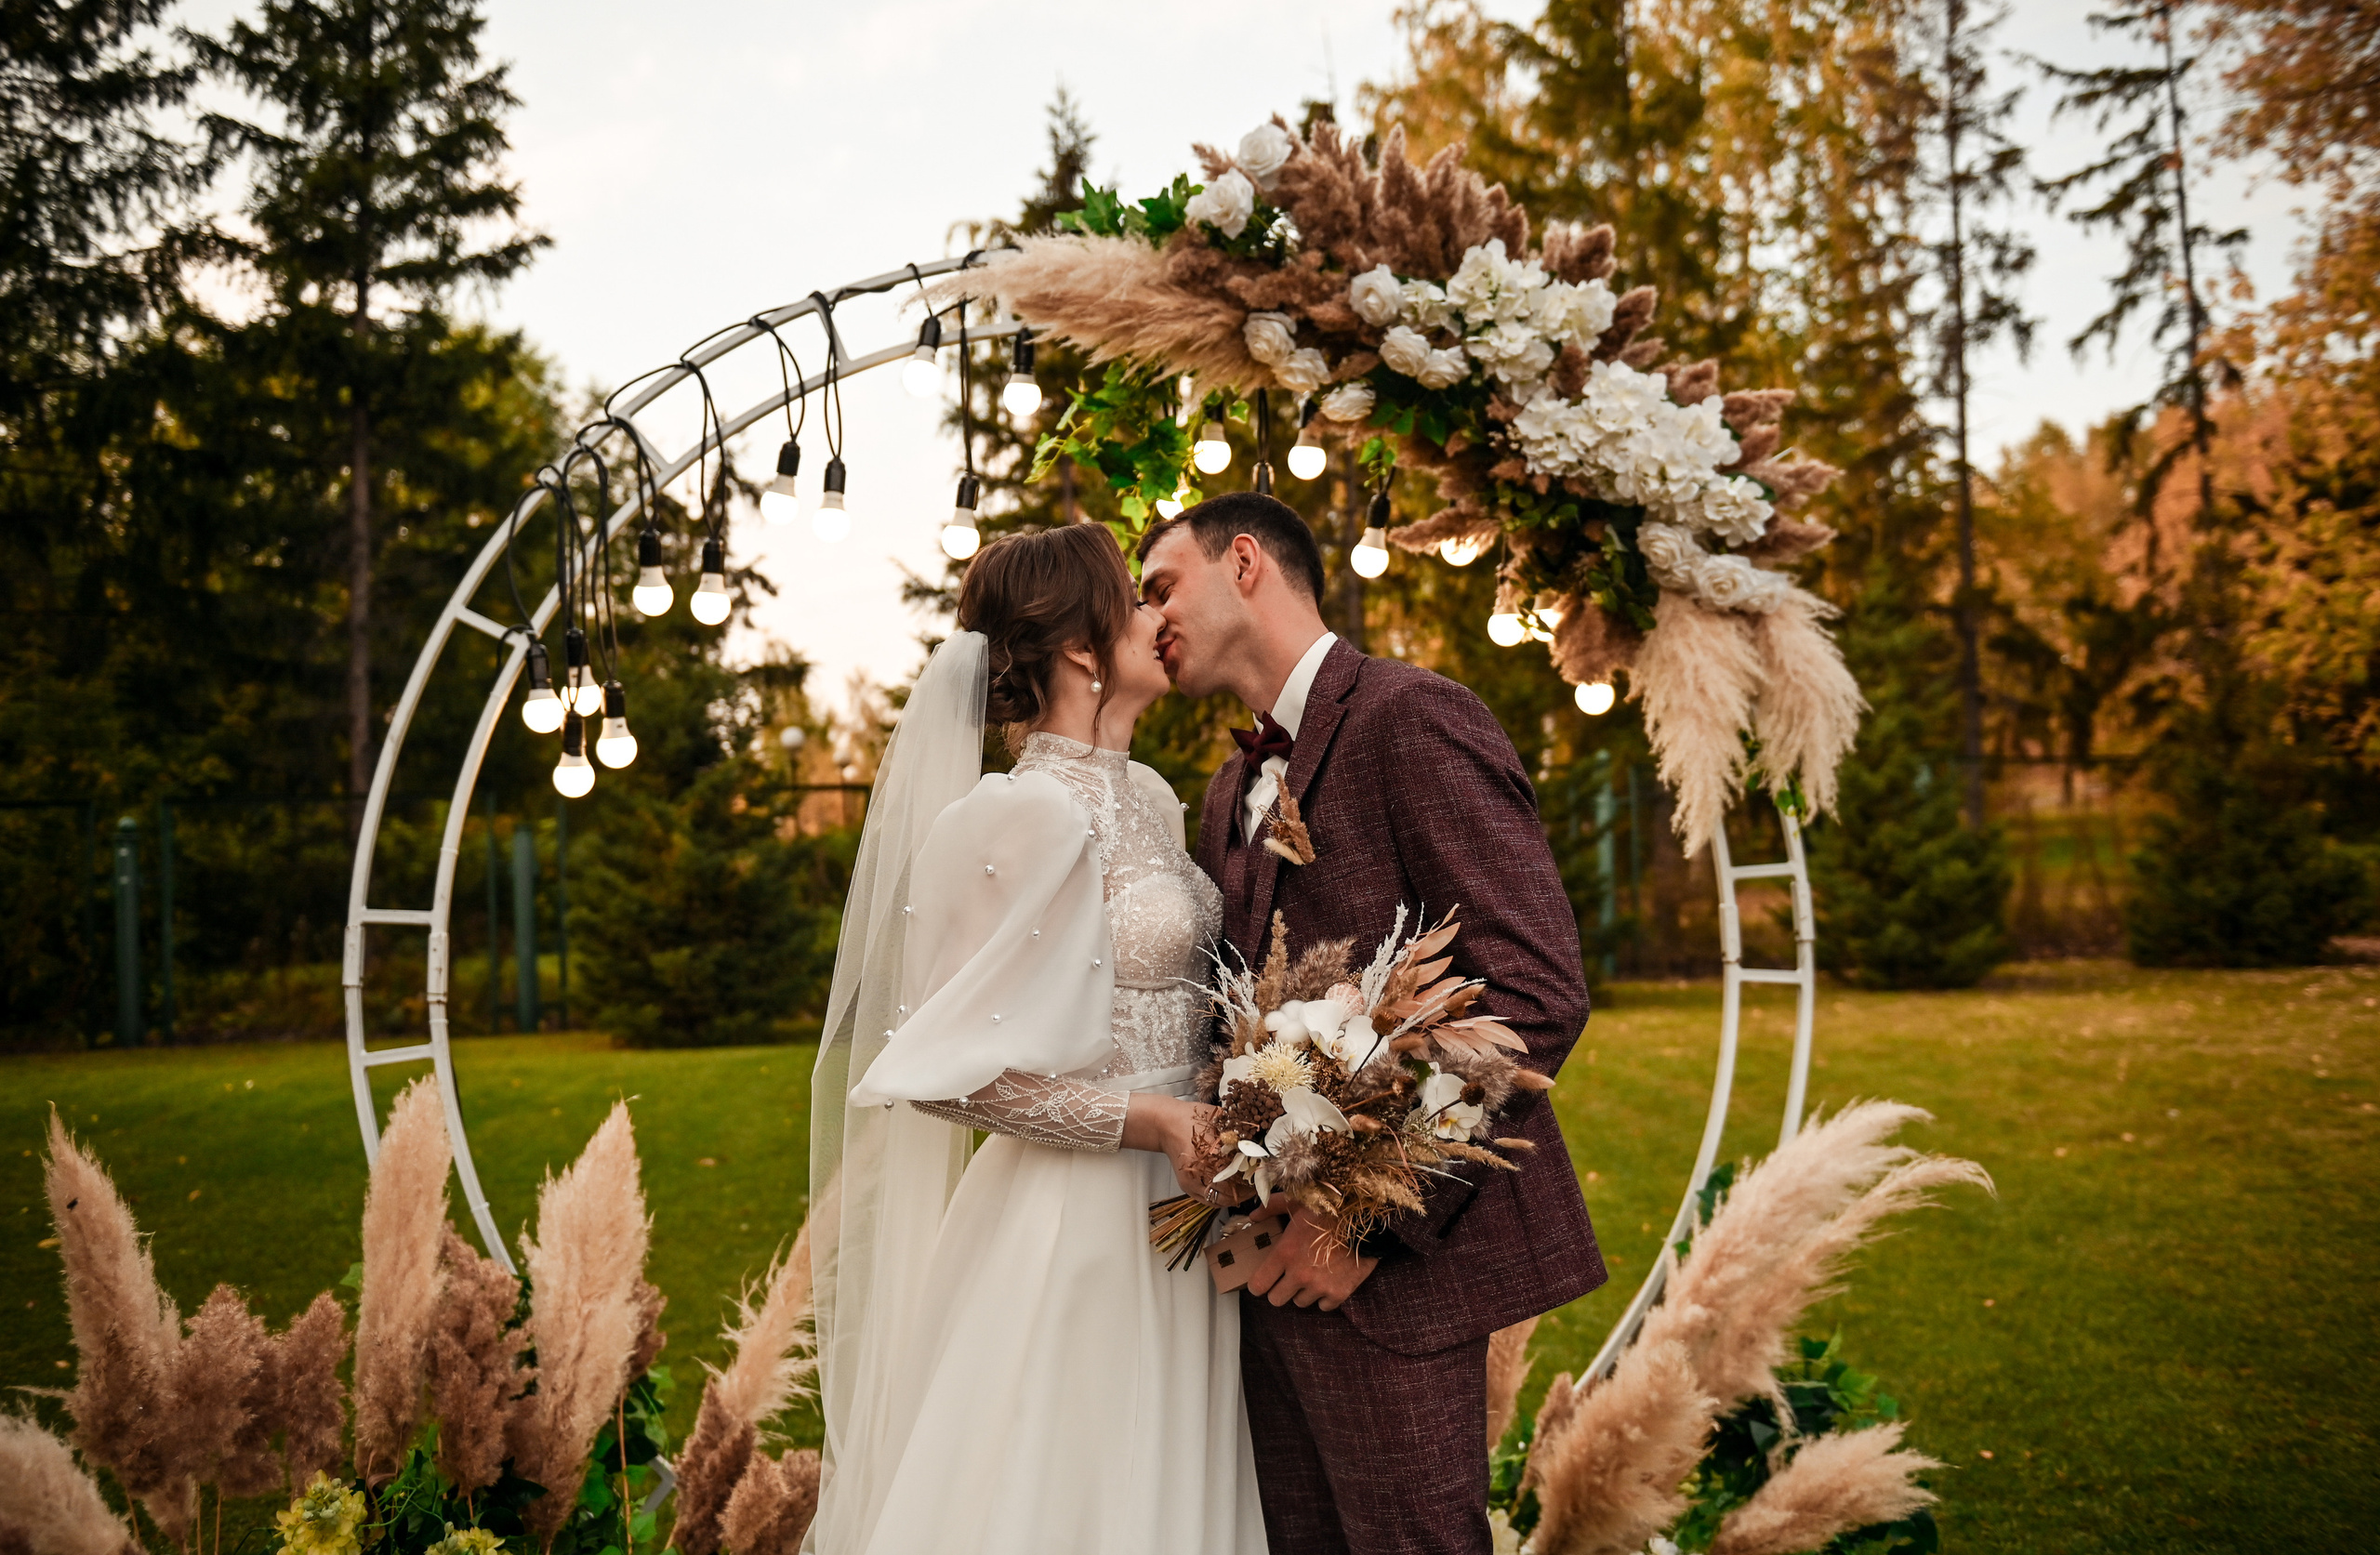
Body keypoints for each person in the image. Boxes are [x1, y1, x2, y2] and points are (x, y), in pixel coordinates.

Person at [1137, 492, 1607, 1555]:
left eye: (1162, 585)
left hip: (1394, 1275)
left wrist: (1363, 1220)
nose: (1150, 616)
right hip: (1256, 1271)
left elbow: (1532, 990)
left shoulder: (1413, 715)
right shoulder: (1224, 790)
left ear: (1243, 561)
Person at [806, 523, 1265, 1555]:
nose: (1160, 618)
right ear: (1078, 646)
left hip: (1187, 1212)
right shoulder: (1007, 815)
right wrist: (1146, 1119)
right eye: (1137, 599)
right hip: (1077, 1223)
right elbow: (944, 1076)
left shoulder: (1149, 796)